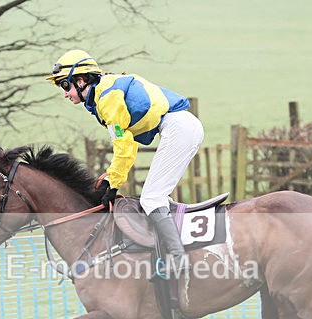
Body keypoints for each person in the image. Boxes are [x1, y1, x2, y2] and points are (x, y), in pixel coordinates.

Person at [46, 49, 204, 277]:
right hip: (181, 126)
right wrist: (112, 177)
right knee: (156, 197)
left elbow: (124, 146)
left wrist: (113, 183)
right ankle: (171, 251)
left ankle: (179, 259)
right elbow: (126, 144)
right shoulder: (105, 90)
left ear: (80, 81)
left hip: (179, 128)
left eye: (65, 85)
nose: (64, 93)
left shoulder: (106, 99)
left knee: (151, 198)